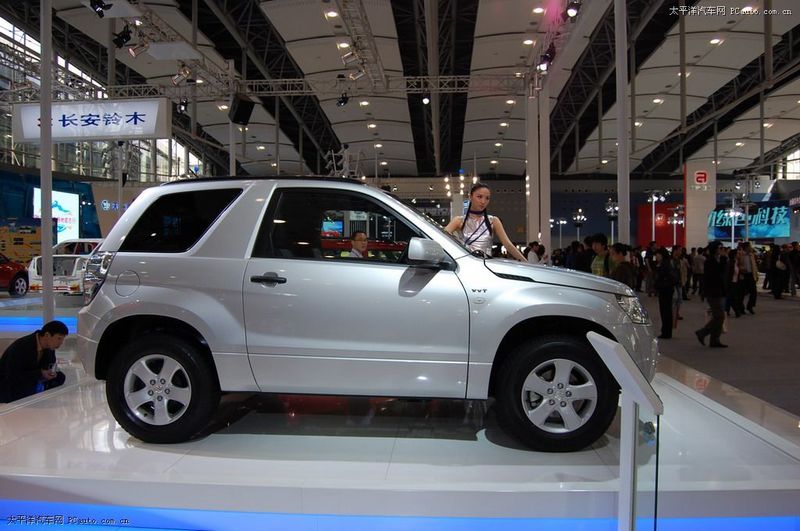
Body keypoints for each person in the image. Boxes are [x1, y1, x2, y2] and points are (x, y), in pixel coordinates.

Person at [444, 183, 526, 261]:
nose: (483, 201)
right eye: (479, 197)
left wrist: (526, 263)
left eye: (487, 198)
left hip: (486, 266)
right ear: (470, 197)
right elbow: (442, 239)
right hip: (466, 265)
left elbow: (508, 244)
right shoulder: (459, 220)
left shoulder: (493, 221)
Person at [0, 320, 68, 403]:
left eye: (63, 339)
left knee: (60, 377)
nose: (61, 343)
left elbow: (50, 365)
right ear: (47, 335)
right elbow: (13, 375)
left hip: (30, 385)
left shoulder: (49, 347)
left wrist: (52, 373)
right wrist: (40, 373)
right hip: (11, 389)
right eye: (59, 338)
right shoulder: (21, 347)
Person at [695, 241, 728, 348]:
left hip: (719, 291)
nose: (721, 250)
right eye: (720, 248)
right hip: (713, 292)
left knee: (719, 316)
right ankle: (703, 332)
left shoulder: (716, 259)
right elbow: (718, 274)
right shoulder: (710, 261)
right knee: (719, 316)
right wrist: (724, 259)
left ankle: (714, 339)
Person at [654, 247, 675, 339]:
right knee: (667, 310)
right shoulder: (667, 263)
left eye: (657, 255)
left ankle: (666, 332)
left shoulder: (664, 264)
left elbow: (661, 276)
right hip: (667, 289)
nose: (656, 257)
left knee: (665, 310)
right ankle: (667, 331)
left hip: (665, 289)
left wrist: (658, 268)